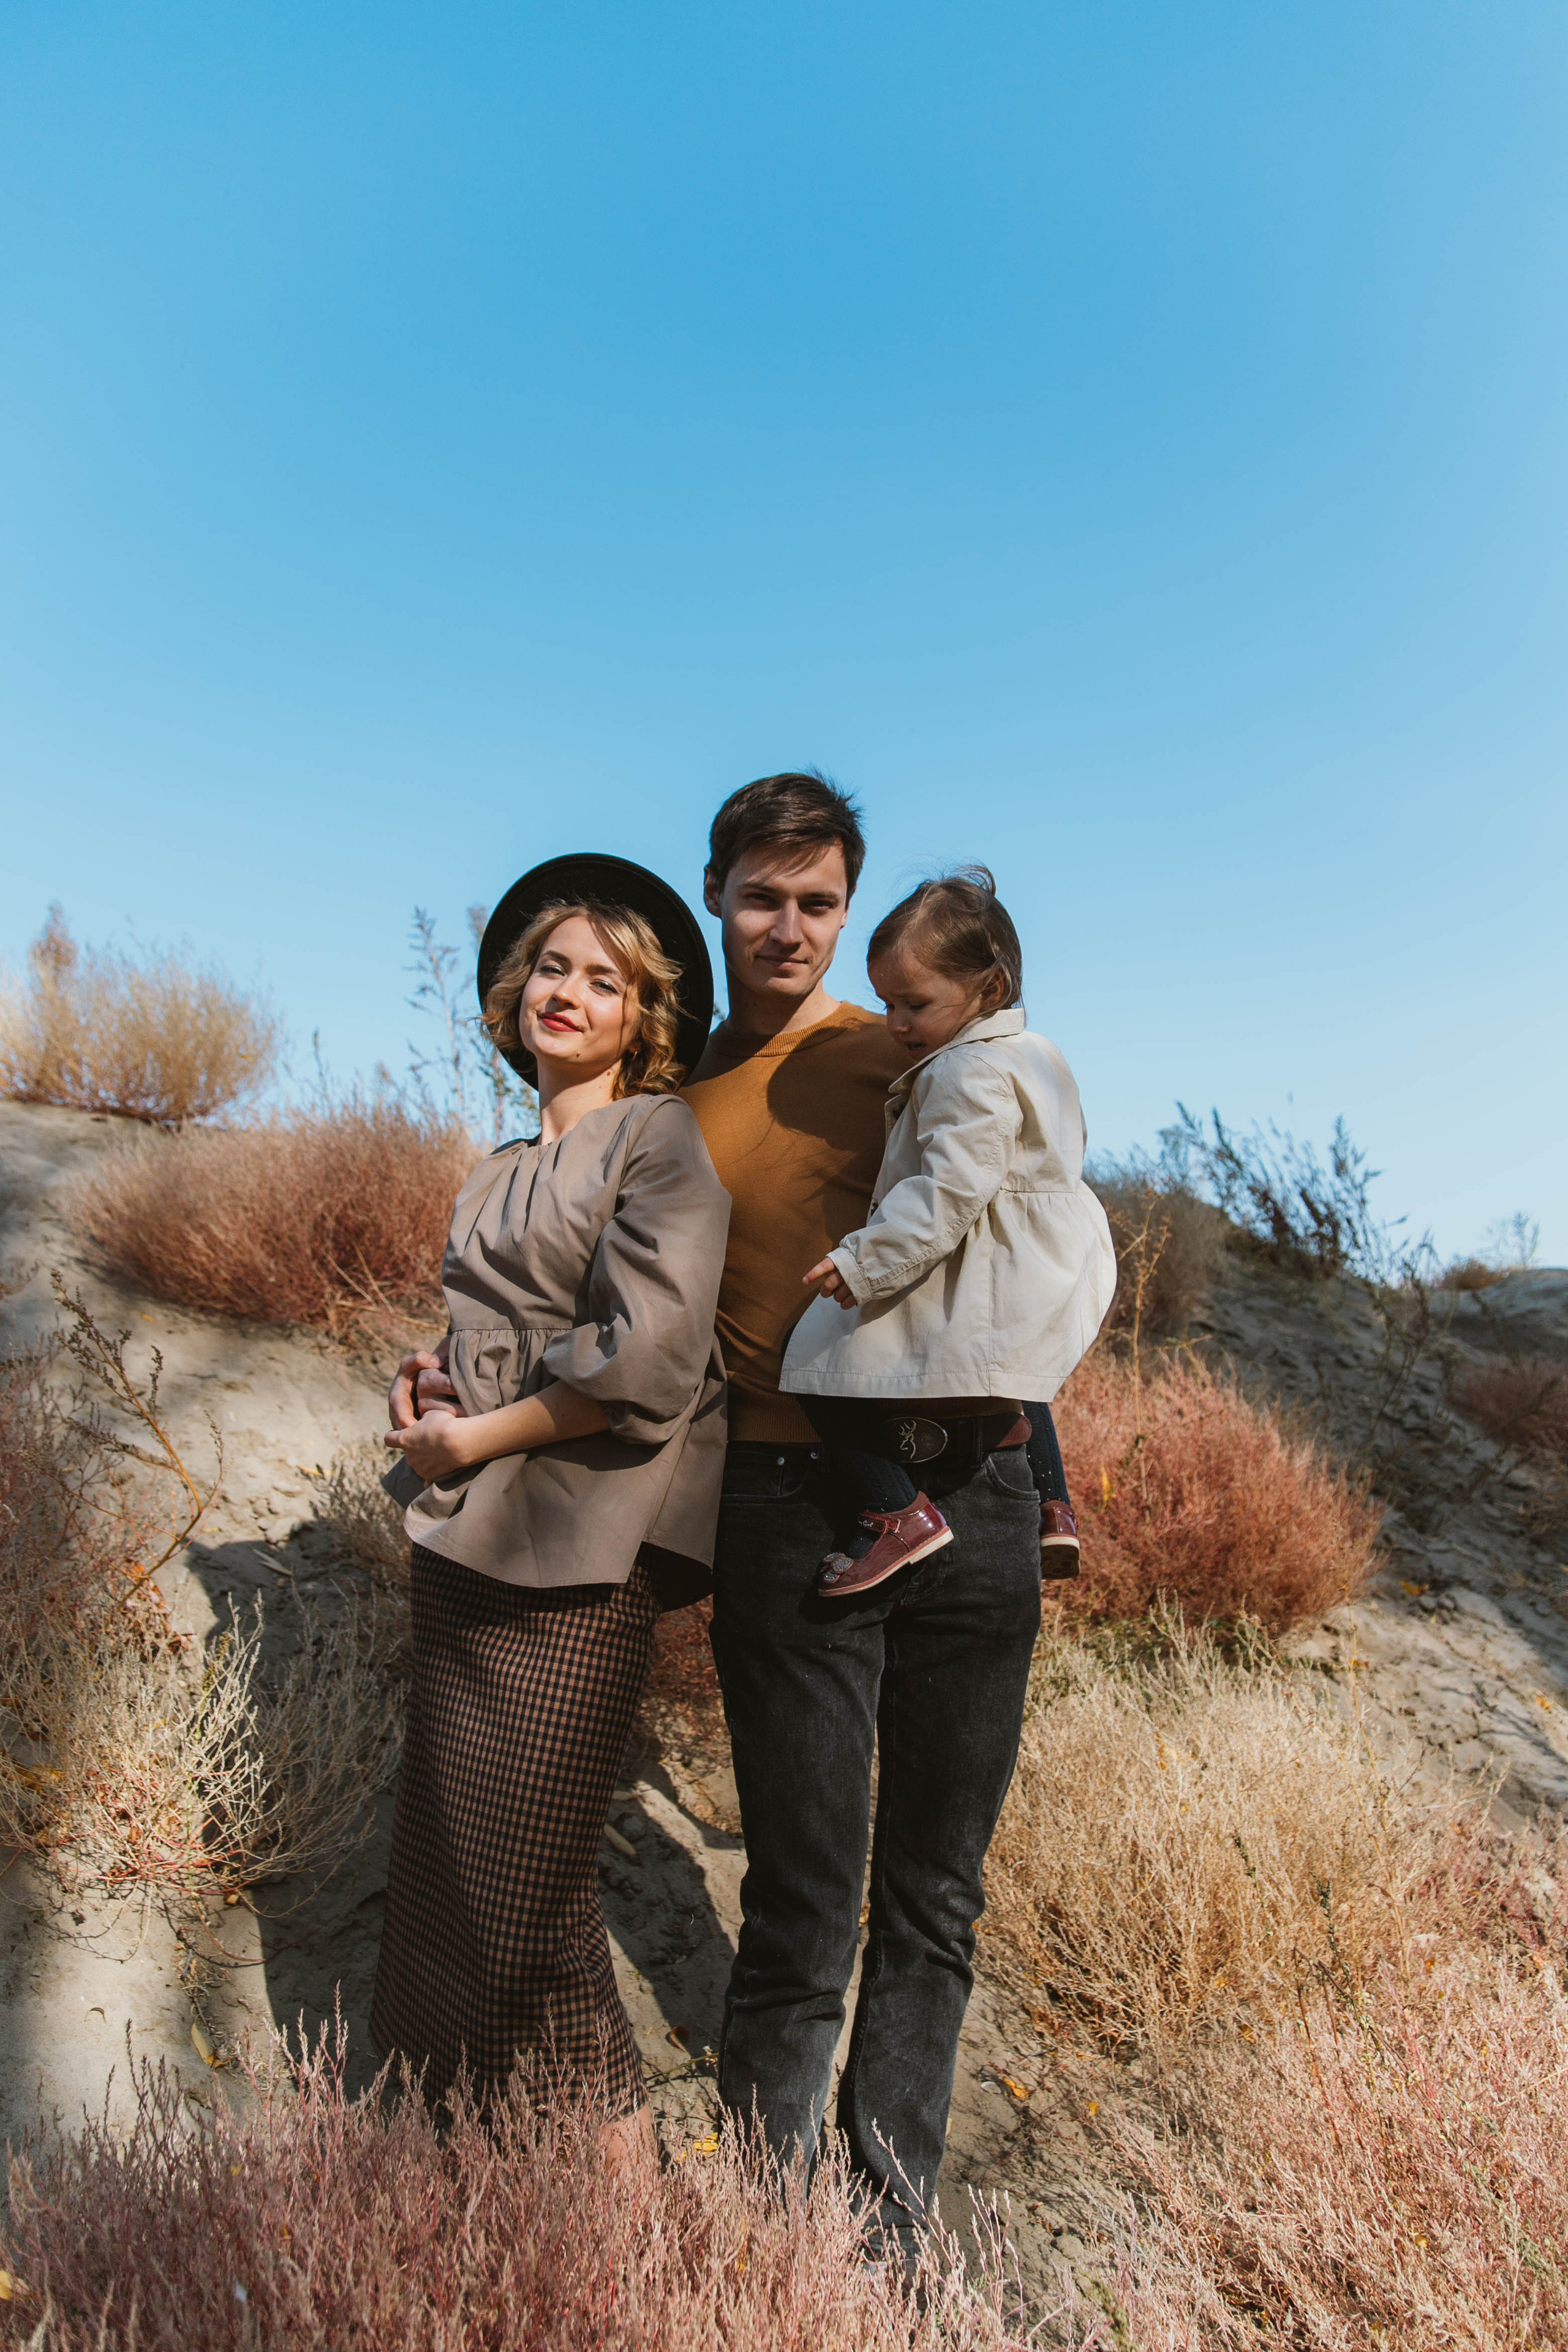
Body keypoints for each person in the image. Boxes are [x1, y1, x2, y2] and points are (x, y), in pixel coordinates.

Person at [679, 773, 1055, 2265]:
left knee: (934, 1901)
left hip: (975, 1487)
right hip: (786, 1500)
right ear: (714, 894)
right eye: (761, 897)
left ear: (848, 910)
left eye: (817, 901)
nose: (788, 927)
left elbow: (1020, 1223)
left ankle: (888, 2239)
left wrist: (1041, 1459)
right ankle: (768, 2245)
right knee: (801, 1892)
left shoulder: (912, 1048)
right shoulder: (669, 1092)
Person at [372, 858, 729, 2170]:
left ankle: (617, 2206)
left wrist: (477, 1433)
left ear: (646, 1016)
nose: (565, 992)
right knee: (454, 1867)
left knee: (525, 1882)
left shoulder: (658, 1139)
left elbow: (648, 1360)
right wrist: (427, 1381)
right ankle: (448, 2160)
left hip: (587, 1542)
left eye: (604, 980)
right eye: (550, 968)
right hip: (468, 1530)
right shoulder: (495, 1167)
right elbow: (491, 1333)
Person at [783, 867, 1116, 1597]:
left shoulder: (962, 1070)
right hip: (1045, 1259)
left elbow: (949, 1190)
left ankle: (897, 1511)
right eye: (886, 1004)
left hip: (984, 1253)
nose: (896, 1024)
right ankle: (1053, 1504)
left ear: (988, 990)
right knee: (1010, 1370)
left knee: (813, 1358)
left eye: (915, 1004)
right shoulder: (1038, 1056)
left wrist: (866, 1262)